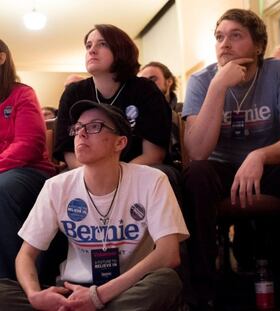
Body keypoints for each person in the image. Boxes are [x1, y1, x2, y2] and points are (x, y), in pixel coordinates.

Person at [182, 9, 280, 310]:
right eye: (220, 37)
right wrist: (217, 86)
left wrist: (259, 155)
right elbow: (197, 151)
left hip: (271, 163)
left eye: (236, 35)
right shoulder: (202, 81)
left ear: (259, 45)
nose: (224, 43)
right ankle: (202, 293)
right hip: (221, 169)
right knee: (195, 174)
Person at [0, 99, 189, 311]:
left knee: (166, 281)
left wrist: (97, 297)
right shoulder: (56, 186)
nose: (81, 134)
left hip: (126, 288)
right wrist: (35, 295)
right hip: (73, 290)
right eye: (78, 128)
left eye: (94, 127)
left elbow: (168, 254)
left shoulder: (152, 180)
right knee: (3, 293)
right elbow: (25, 255)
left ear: (120, 143)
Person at [54, 24, 171, 170]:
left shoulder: (145, 89)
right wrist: (93, 176)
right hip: (84, 171)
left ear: (121, 50)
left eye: (102, 44)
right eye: (88, 46)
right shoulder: (73, 93)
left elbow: (154, 154)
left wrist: (115, 176)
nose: (92, 50)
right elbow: (69, 151)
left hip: (139, 170)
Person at [0, 39, 55, 280]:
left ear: (1, 58)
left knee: (3, 187)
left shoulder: (22, 93)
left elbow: (29, 144)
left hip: (29, 172)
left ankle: (15, 282)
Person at [139, 61, 182, 167]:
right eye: (142, 81)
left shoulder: (184, 110)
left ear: (169, 81)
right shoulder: (135, 115)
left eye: (153, 79)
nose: (147, 85)